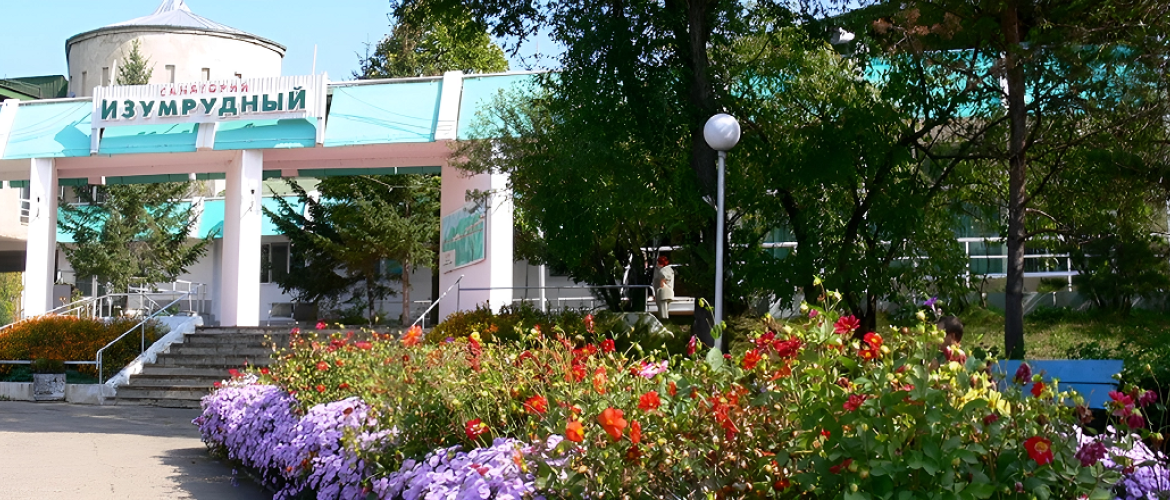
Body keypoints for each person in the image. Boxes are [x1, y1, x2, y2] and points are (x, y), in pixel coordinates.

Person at [652, 255, 675, 320]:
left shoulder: (663, 271)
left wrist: (659, 290)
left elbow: (663, 279)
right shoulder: (669, 269)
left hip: (663, 294)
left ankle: (664, 322)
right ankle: (666, 321)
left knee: (662, 312)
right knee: (666, 310)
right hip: (669, 293)